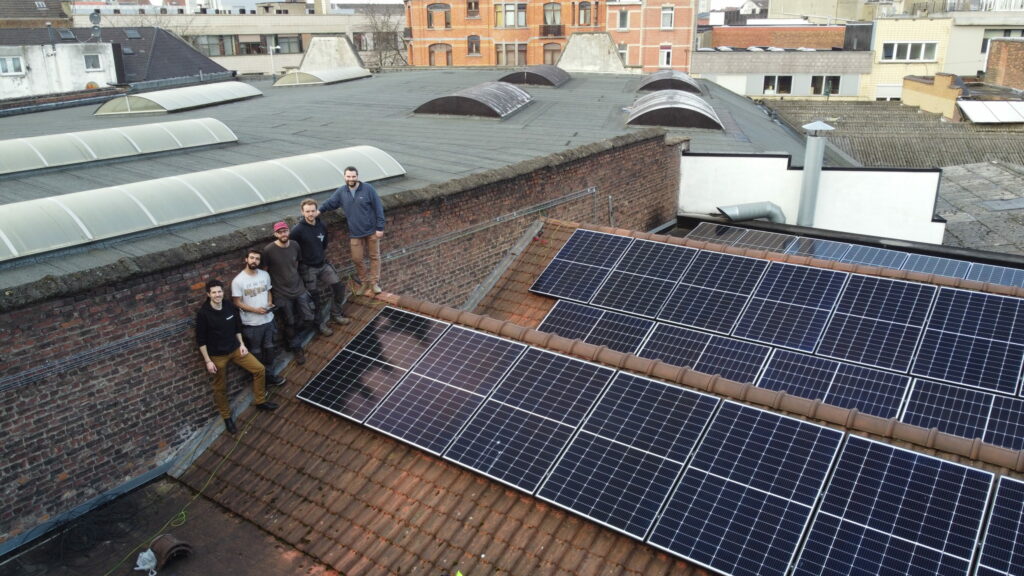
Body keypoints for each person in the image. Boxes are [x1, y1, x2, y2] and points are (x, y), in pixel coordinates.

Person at [195, 279, 278, 434]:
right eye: (214, 292)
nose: (217, 294)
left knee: (259, 369)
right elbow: (201, 340)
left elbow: (237, 327)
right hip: (217, 356)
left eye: (219, 291)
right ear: (208, 294)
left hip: (235, 349)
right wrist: (208, 361)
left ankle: (260, 401)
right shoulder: (204, 314)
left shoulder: (228, 306)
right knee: (220, 387)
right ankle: (227, 417)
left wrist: (241, 344)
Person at [318, 166, 386, 296]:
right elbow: (330, 203)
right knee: (357, 259)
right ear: (344, 177)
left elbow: (378, 208)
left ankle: (374, 283)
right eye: (348, 176)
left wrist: (380, 227)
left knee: (374, 257)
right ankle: (364, 282)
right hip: (355, 233)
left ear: (357, 176)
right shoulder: (341, 192)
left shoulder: (368, 189)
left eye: (353, 176)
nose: (351, 179)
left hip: (372, 231)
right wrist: (319, 211)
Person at [290, 198, 351, 333]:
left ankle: (336, 314)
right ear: (302, 212)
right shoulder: (297, 230)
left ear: (316, 211)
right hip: (308, 268)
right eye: (307, 211)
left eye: (312, 211)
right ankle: (320, 325)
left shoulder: (322, 225)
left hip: (323, 265)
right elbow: (292, 249)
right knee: (314, 299)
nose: (310, 214)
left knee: (339, 287)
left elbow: (324, 244)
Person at [231, 249, 285, 386]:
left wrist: (269, 303)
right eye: (252, 258)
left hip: (268, 320)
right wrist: (255, 310)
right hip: (252, 324)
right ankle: (261, 380)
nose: (254, 261)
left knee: (270, 349)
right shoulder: (238, 281)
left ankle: (270, 376)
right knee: (256, 352)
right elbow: (237, 302)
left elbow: (268, 292)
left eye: (257, 259)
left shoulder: (264, 275)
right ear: (246, 259)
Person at [262, 222, 314, 363]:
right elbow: (264, 272)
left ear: (289, 231)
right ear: (275, 234)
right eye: (280, 232)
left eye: (285, 231)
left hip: (299, 288)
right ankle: (296, 348)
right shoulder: (268, 250)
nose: (283, 234)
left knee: (308, 317)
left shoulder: (295, 245)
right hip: (281, 292)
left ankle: (291, 337)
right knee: (289, 322)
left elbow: (297, 264)